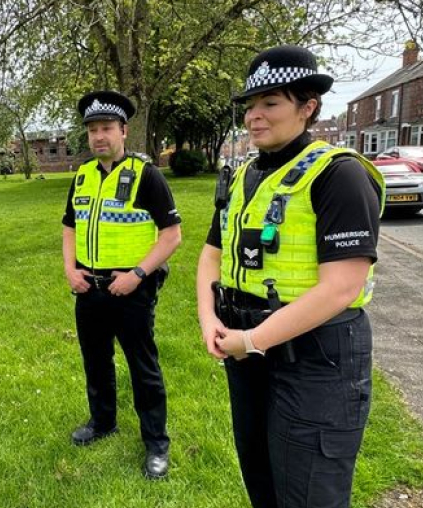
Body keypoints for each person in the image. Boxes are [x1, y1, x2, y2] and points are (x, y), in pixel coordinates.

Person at [196, 45, 385, 507]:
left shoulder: (338, 175)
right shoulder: (242, 176)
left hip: (317, 361)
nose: (253, 117)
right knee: (261, 482)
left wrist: (253, 338)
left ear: (308, 107)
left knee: (309, 494)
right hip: (248, 352)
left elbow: (343, 286)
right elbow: (210, 253)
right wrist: (209, 318)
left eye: (270, 103)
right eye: (250, 106)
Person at [62, 90, 182, 479]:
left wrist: (137, 275)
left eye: (106, 128)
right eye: (93, 130)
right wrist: (70, 269)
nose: (99, 136)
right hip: (89, 288)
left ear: (123, 131)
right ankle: (102, 422)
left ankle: (156, 443)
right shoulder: (81, 176)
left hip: (131, 290)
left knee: (142, 367)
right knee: (95, 360)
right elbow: (69, 226)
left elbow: (171, 236)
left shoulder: (147, 176)